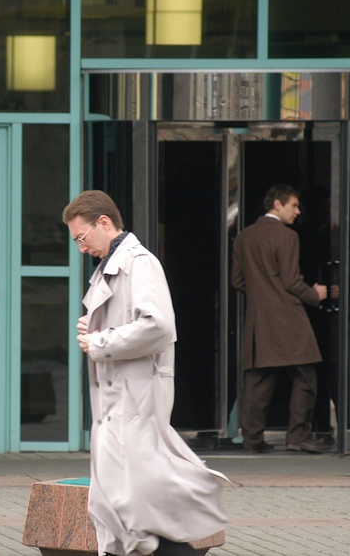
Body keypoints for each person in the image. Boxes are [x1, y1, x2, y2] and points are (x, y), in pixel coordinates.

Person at [64, 190, 228, 556]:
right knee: (120, 514)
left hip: (135, 404)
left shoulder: (139, 262)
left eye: (81, 237)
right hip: (119, 406)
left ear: (103, 223)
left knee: (137, 515)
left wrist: (100, 340)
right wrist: (95, 328)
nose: (81, 248)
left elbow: (158, 326)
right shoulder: (112, 265)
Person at [231, 184, 329, 454]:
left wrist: (263, 293)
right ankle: (297, 436)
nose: (298, 212)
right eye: (293, 205)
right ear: (277, 204)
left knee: (258, 381)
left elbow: (237, 280)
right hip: (289, 317)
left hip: (258, 319)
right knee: (305, 376)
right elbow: (291, 281)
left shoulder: (243, 237)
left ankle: (252, 440)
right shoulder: (287, 237)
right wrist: (315, 294)